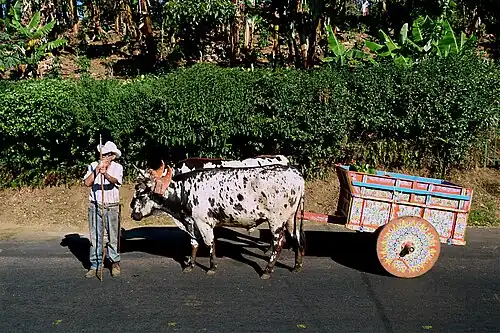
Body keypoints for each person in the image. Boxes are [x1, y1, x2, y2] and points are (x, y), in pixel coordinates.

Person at [82, 141, 124, 279]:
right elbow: (87, 183)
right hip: (95, 205)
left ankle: (114, 263)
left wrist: (105, 174)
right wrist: (97, 171)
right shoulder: (93, 165)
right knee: (96, 237)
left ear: (112, 156)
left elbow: (115, 182)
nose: (103, 156)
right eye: (102, 154)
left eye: (106, 154)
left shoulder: (118, 167)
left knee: (113, 237)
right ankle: (95, 265)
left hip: (111, 206)